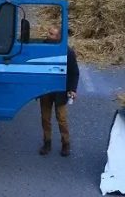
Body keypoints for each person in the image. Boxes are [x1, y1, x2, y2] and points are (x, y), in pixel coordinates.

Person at [38, 26, 78, 157]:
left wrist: (72, 89)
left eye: (52, 34)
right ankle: (47, 142)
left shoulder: (68, 52)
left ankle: (66, 143)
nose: (48, 35)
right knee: (45, 118)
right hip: (45, 89)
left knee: (61, 118)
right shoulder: (42, 49)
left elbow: (74, 72)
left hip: (60, 90)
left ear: (59, 37)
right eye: (48, 32)